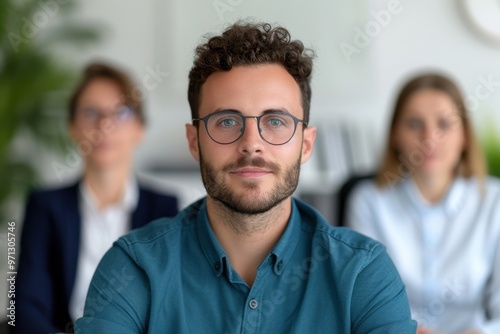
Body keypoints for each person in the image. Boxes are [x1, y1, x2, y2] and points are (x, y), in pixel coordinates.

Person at [74, 22, 416, 333]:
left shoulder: (363, 274)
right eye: (226, 121)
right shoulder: (134, 268)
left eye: (276, 122)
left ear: (306, 144)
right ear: (194, 142)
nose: (252, 144)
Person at [15, 63, 179, 333]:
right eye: (91, 112)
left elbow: (169, 307)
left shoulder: (165, 207)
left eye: (121, 112)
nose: (105, 124)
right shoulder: (45, 207)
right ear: (72, 127)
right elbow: (26, 307)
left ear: (139, 129)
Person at [346, 73, 500, 334]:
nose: (429, 138)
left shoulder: (494, 202)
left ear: (464, 136)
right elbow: (363, 302)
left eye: (444, 124)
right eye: (415, 123)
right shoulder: (368, 202)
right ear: (395, 134)